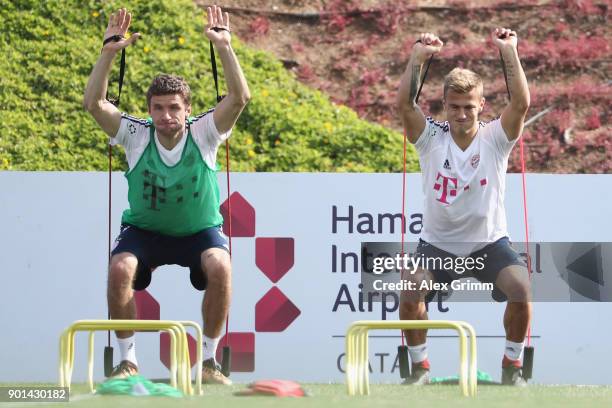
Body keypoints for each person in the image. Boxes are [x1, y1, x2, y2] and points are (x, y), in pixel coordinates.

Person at [83, 5, 250, 385]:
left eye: (173, 107)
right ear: (149, 111)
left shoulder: (204, 132)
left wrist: (224, 47)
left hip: (199, 231)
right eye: (157, 108)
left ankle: (209, 362)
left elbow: (239, 98)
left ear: (187, 110)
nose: (165, 115)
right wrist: (108, 52)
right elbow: (94, 104)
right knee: (120, 269)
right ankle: (127, 362)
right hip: (146, 232)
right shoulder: (136, 134)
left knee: (221, 266)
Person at [397, 28, 532, 386]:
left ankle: (512, 366)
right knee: (410, 291)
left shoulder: (495, 139)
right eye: (454, 107)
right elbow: (404, 106)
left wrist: (509, 51)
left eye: (468, 107)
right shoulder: (430, 139)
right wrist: (418, 56)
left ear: (481, 105)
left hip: (488, 244)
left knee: (521, 289)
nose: (461, 114)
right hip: (438, 246)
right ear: (445, 106)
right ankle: (419, 370)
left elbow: (520, 104)